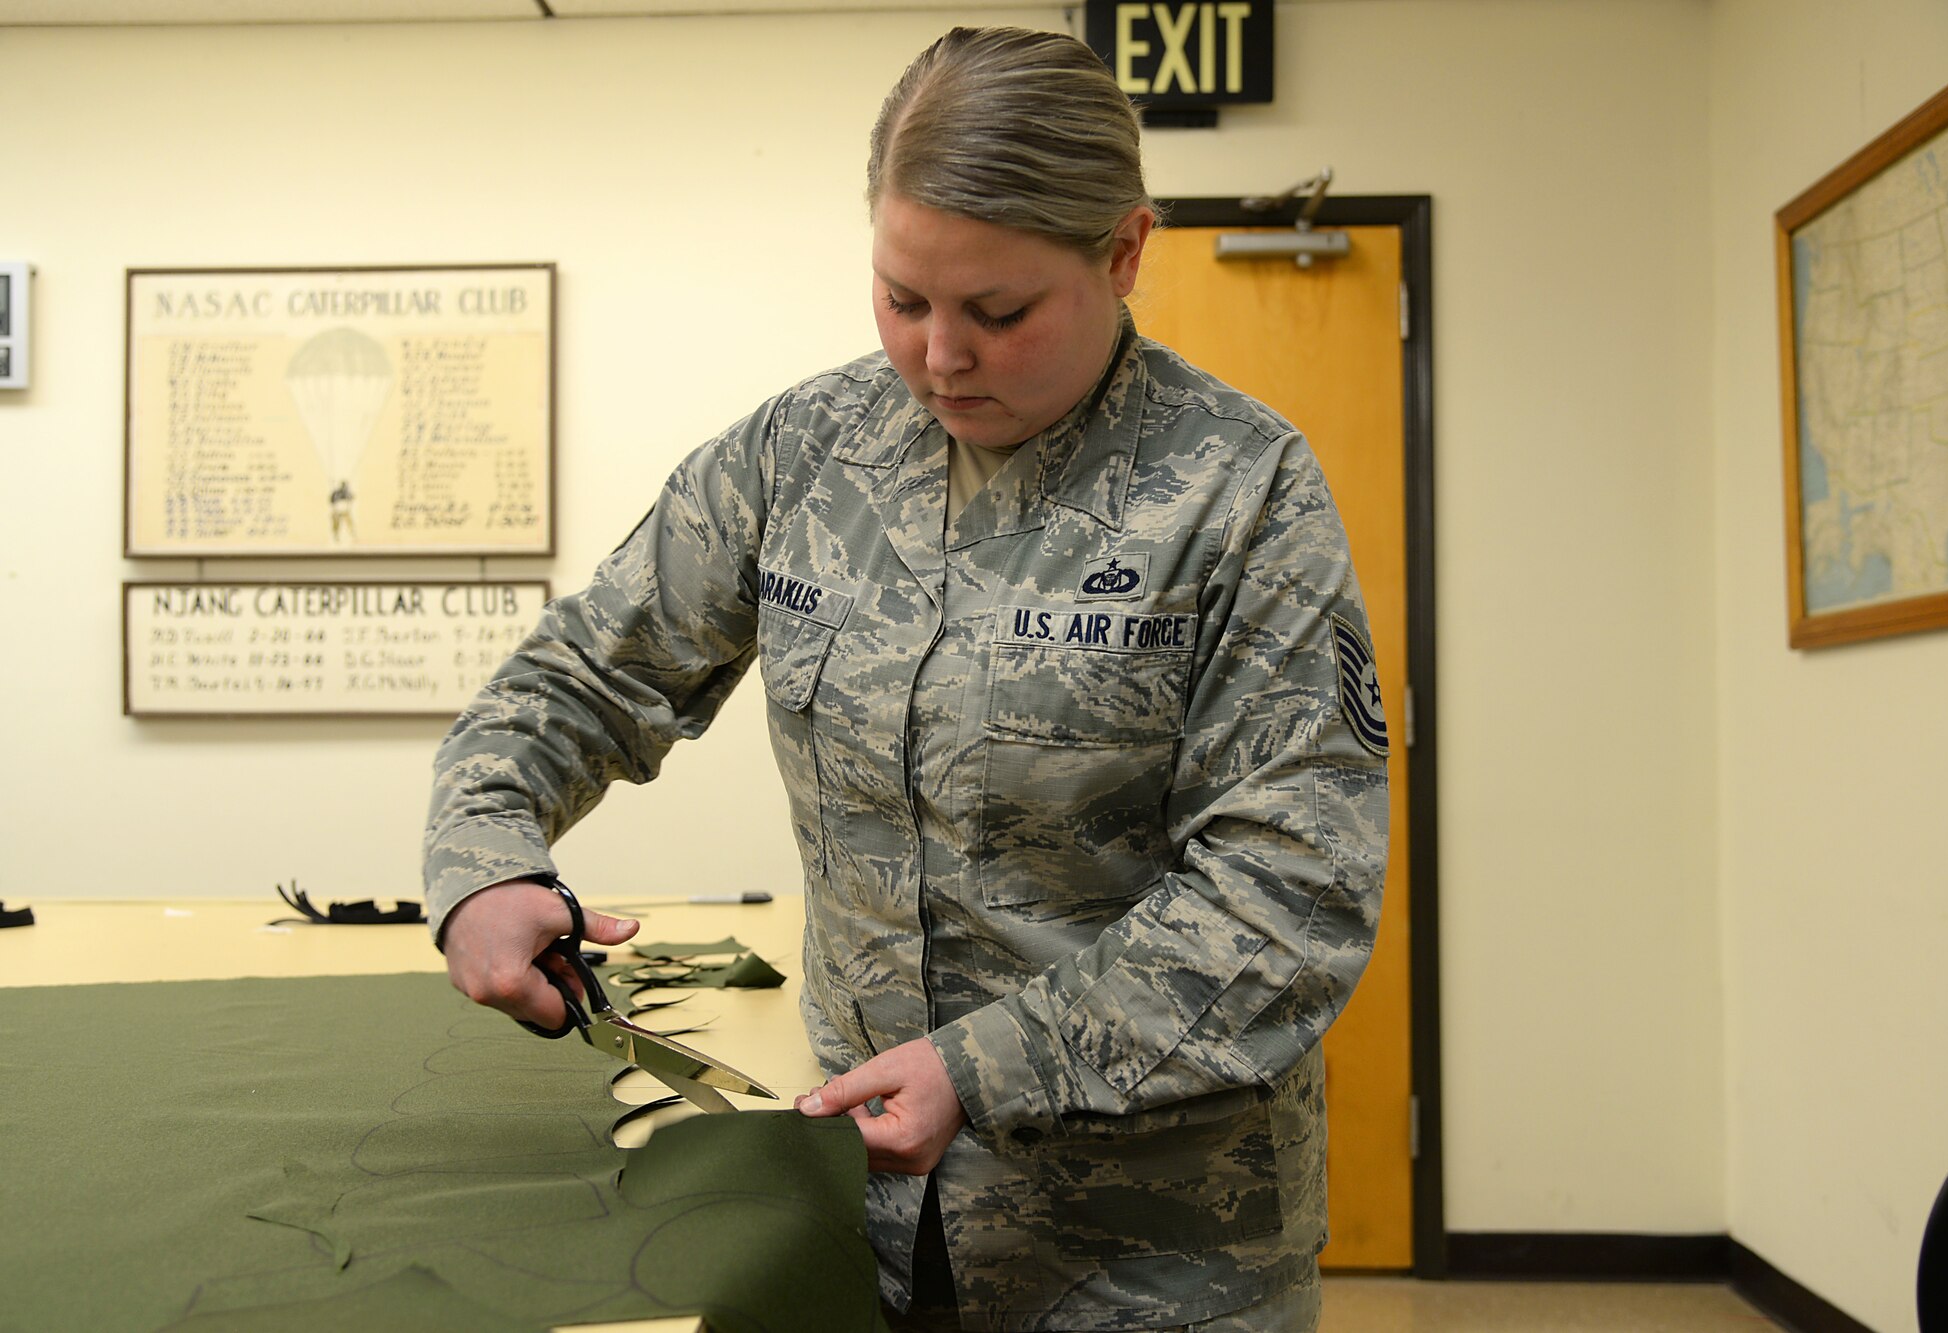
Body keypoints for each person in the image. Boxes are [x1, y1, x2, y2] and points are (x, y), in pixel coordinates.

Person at [425, 25, 1389, 1333]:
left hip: (1155, 1255)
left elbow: (1289, 901)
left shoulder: (1242, 492)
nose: (941, 356)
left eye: (998, 312)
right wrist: (486, 855)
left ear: (1124, 252)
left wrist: (981, 1069)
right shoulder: (800, 455)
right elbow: (578, 676)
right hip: (862, 1209)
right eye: (901, 298)